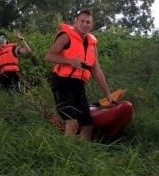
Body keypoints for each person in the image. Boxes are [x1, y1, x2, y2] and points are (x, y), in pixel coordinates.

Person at [44, 9, 117, 141]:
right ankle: (65, 154)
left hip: (78, 86)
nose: (85, 24)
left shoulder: (92, 45)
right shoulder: (66, 36)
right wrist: (69, 61)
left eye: (88, 22)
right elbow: (49, 56)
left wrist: (108, 96)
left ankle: (81, 153)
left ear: (91, 25)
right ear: (75, 22)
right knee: (72, 122)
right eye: (82, 21)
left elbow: (97, 71)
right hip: (62, 83)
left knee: (88, 125)